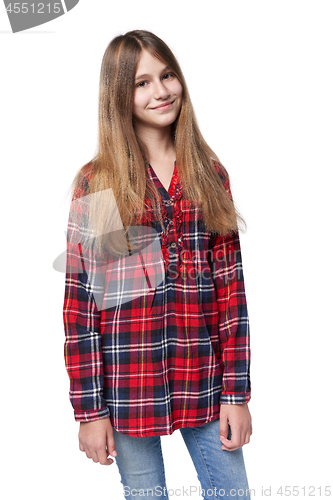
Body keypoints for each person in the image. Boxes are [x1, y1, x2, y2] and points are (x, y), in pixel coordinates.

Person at [63, 30, 252, 500]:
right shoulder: (101, 182)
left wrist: (237, 394)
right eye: (141, 83)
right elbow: (83, 307)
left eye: (166, 75)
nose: (161, 91)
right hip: (127, 386)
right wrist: (89, 411)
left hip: (203, 379)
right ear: (119, 96)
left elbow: (232, 295)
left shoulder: (209, 175)